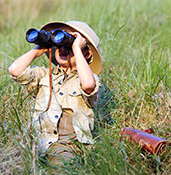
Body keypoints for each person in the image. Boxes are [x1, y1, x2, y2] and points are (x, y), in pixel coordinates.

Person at [8, 21, 102, 165]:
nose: (62, 49)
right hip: (43, 143)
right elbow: (15, 70)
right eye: (59, 45)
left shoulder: (86, 79)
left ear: (86, 54)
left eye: (68, 46)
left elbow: (88, 86)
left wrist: (76, 47)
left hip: (70, 145)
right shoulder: (44, 75)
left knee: (59, 164)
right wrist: (40, 47)